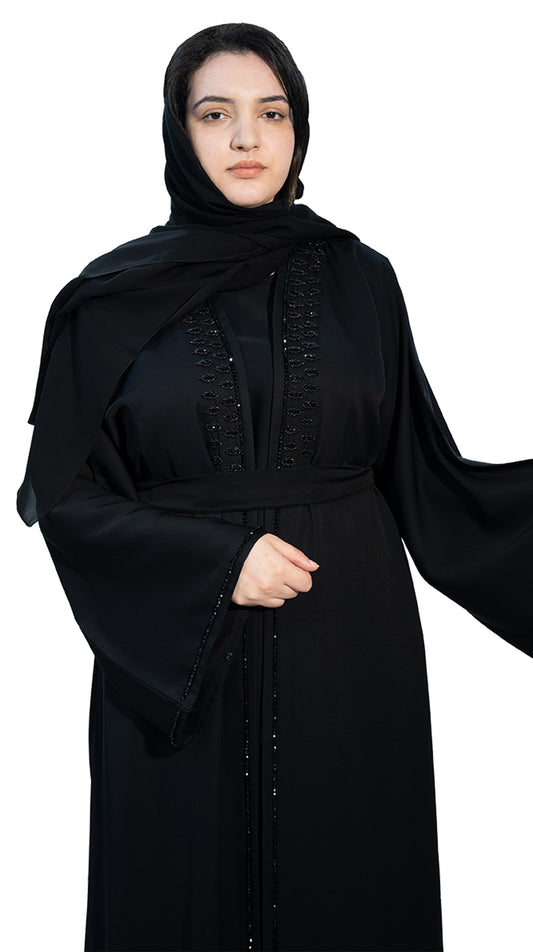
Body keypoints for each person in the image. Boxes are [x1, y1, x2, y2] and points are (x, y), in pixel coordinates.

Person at [17, 21, 532, 952]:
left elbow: (425, 476)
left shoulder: (361, 279)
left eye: (272, 113)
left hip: (350, 647)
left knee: (349, 881)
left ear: (300, 130)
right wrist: (218, 565)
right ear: (178, 130)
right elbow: (68, 496)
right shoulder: (104, 301)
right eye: (216, 114)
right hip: (173, 661)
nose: (247, 138)